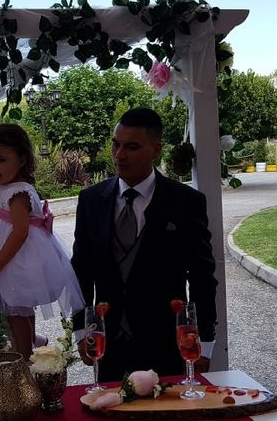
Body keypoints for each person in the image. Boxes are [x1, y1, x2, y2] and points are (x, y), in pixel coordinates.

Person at [71, 108, 218, 382]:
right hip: (108, 343)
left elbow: (202, 277)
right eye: (116, 144)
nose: (119, 154)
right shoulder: (91, 200)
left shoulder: (186, 202)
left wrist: (204, 343)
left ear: (156, 150)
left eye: (132, 146)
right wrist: (81, 331)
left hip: (166, 343)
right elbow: (80, 270)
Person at [0, 123, 84, 360]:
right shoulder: (1, 187)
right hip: (7, 257)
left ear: (21, 159)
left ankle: (25, 354)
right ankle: (26, 349)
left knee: (17, 310)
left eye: (1, 159)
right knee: (17, 309)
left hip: (15, 259)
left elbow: (19, 232)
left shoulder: (19, 193)